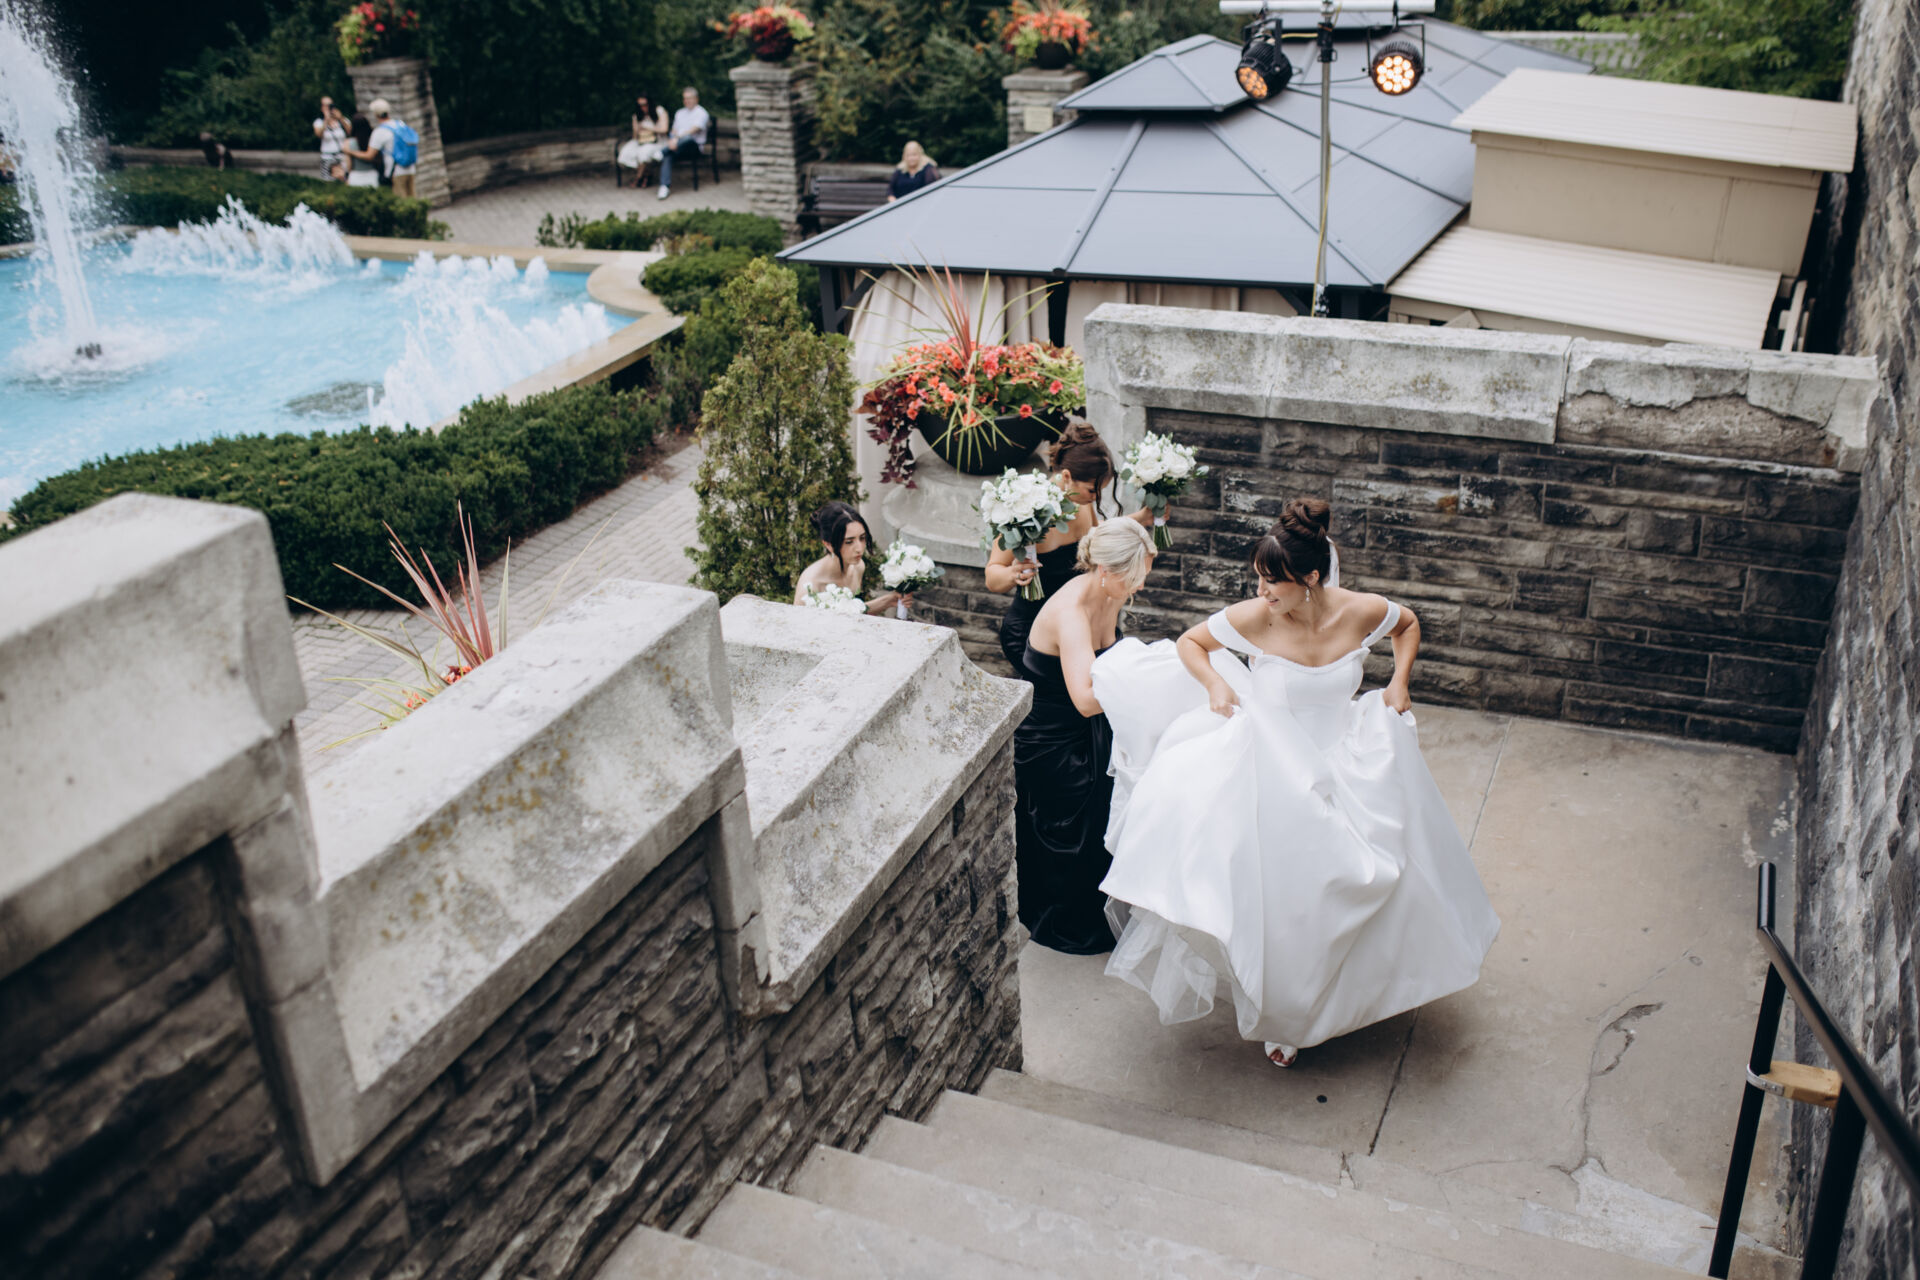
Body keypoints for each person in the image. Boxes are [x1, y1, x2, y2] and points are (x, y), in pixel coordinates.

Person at [1093, 498, 1501, 1067]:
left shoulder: (1359, 611)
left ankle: (1351, 995)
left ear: (1310, 578)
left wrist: (1399, 683)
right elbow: (1191, 643)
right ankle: (1287, 1019)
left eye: (1272, 581)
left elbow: (1407, 624)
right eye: (1258, 579)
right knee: (1287, 902)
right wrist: (1214, 684)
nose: (1261, 591)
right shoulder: (1254, 617)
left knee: (1361, 885)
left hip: (1346, 758)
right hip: (1272, 764)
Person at [1015, 518, 1156, 955]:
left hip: (1093, 726)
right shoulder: (1071, 612)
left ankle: (1103, 911)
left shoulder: (1111, 594)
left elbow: (1110, 661)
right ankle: (1069, 920)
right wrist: (1151, 679)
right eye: (1134, 577)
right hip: (1051, 738)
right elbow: (1085, 698)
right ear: (1105, 570)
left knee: (1119, 798)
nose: (1139, 586)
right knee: (1085, 809)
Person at [985, 423, 1156, 679]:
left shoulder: (1081, 503)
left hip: (1075, 629)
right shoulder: (1024, 511)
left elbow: (1098, 539)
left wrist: (1141, 517)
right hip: (1030, 634)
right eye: (1092, 490)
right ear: (1066, 476)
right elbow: (992, 576)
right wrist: (1012, 573)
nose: (1096, 497)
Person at [792, 501, 908, 616]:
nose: (859, 548)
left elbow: (853, 612)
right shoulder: (810, 585)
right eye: (849, 542)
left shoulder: (858, 567)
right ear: (828, 545)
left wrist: (889, 600)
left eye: (862, 538)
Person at [346, 98, 419, 198]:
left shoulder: (380, 131)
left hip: (395, 171)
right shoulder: (400, 124)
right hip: (410, 167)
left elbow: (369, 156)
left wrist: (350, 152)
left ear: (375, 114)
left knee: (401, 201)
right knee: (413, 199)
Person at [656, 87, 711, 200]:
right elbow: (673, 130)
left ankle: (662, 152)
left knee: (688, 138)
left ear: (696, 99)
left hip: (694, 147)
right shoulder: (680, 113)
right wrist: (673, 139)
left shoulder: (702, 113)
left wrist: (677, 138)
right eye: (685, 98)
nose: (687, 101)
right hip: (677, 147)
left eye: (689, 98)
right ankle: (664, 187)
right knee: (668, 155)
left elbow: (694, 130)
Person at [618, 94, 671, 187]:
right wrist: (638, 129)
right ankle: (647, 174)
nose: (643, 107)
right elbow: (635, 137)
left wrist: (649, 128)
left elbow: (664, 129)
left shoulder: (659, 111)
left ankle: (639, 177)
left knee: (644, 152)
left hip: (658, 141)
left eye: (645, 104)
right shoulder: (637, 116)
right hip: (642, 141)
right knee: (627, 152)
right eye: (640, 105)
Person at [313, 97, 348, 181]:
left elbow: (350, 131)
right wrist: (326, 120)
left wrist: (341, 118)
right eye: (326, 105)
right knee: (328, 181)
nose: (329, 108)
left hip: (341, 156)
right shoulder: (319, 122)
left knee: (344, 180)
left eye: (330, 105)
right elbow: (319, 135)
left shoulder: (341, 120)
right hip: (327, 157)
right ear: (322, 108)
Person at [344, 114, 379, 187]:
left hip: (355, 175)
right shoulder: (372, 140)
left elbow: (349, 164)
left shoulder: (348, 142)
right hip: (372, 175)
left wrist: (347, 176)